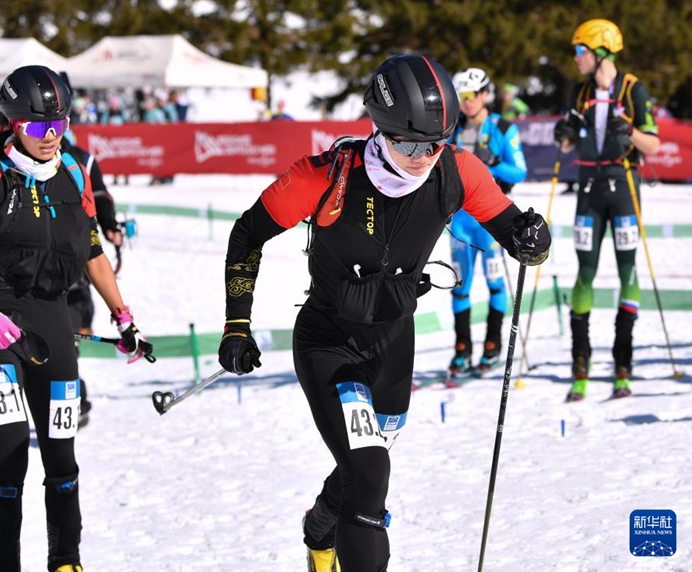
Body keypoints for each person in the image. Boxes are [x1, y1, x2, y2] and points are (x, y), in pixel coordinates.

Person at [216, 54, 551, 572]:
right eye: (411, 143)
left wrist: (532, 239)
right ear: (381, 128)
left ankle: (319, 528)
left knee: (364, 467)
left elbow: (514, 232)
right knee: (370, 474)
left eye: (436, 143)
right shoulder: (326, 175)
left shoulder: (457, 171)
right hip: (330, 340)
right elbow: (247, 234)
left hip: (394, 343)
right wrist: (237, 324)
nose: (424, 156)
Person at [0, 65, 153, 572]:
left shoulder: (73, 173)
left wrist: (124, 317)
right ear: (14, 125)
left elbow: (93, 250)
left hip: (55, 328)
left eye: (59, 124)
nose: (51, 137)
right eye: (38, 128)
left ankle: (65, 561)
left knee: (63, 460)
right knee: (11, 459)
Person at [553, 19, 660, 401]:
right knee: (585, 272)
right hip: (588, 190)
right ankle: (580, 367)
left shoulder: (633, 89)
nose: (575, 58)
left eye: (580, 51)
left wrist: (628, 130)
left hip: (625, 188)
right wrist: (563, 136)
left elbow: (653, 147)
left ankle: (623, 366)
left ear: (600, 53)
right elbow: (565, 146)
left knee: (628, 269)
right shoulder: (578, 92)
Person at [447, 68, 528, 375]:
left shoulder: (502, 128)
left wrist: (491, 162)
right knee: (459, 284)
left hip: (491, 218)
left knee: (495, 281)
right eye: (462, 97)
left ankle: (492, 345)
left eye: (471, 96)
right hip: (459, 220)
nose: (467, 102)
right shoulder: (453, 129)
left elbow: (519, 170)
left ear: (484, 95)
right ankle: (462, 350)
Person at [62, 128, 124, 428]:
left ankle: (75, 403)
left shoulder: (82, 160)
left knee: (66, 346)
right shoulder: (17, 160)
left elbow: (100, 195)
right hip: (31, 277)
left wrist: (110, 225)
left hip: (75, 269)